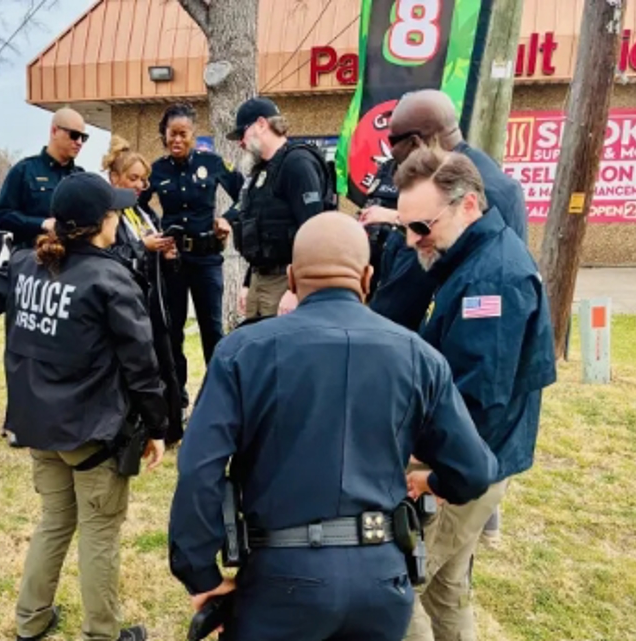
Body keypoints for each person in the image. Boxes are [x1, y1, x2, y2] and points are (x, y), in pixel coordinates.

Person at [168, 211, 498, 641]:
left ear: (291, 278)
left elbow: (199, 468)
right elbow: (473, 471)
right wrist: (432, 480)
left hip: (278, 579)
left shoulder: (242, 353)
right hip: (381, 580)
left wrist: (199, 572)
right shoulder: (419, 357)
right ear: (367, 278)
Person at [393, 147, 556, 641]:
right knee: (446, 590)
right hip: (470, 463)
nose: (411, 240)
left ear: (467, 205)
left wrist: (438, 479)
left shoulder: (492, 281)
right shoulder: (471, 260)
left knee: (395, 591)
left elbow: (479, 402)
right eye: (404, 227)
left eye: (421, 227)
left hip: (466, 468)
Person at [5, 172, 167, 641]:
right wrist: (158, 425)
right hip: (91, 429)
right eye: (115, 211)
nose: (119, 219)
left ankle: (31, 620)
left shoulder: (27, 266)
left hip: (40, 422)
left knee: (55, 521)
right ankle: (103, 633)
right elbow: (141, 364)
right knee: (100, 530)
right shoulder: (110, 278)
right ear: (102, 222)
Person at [363, 89, 528, 333]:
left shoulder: (440, 190)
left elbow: (401, 305)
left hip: (463, 333)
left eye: (392, 141)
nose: (391, 154)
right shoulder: (494, 178)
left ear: (416, 143)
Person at [138, 104, 242, 412]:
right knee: (173, 331)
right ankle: (177, 398)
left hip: (207, 259)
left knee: (212, 330)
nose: (177, 140)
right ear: (164, 135)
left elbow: (246, 195)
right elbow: (137, 207)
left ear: (193, 135)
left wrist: (228, 219)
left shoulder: (212, 163)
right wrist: (153, 232)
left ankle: (216, 398)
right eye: (172, 134)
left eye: (183, 134)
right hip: (173, 262)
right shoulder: (156, 170)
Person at [104, 135, 185, 445]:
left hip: (155, 301)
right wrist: (143, 247)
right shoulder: (107, 215)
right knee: (137, 367)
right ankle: (138, 428)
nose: (140, 185)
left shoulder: (144, 213)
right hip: (126, 304)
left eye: (144, 179)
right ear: (115, 178)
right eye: (133, 178)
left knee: (166, 362)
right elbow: (107, 258)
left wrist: (168, 255)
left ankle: (171, 428)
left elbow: (154, 255)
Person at [226, 97, 333, 320]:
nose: (240, 143)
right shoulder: (262, 171)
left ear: (261, 124)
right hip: (261, 278)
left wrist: (295, 290)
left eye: (242, 134)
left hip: (286, 281)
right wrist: (248, 282)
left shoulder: (297, 163)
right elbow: (258, 231)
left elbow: (313, 231)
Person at [0, 107, 87, 251]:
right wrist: (42, 224)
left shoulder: (81, 177)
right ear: (54, 131)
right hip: (32, 257)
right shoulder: (24, 171)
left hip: (72, 258)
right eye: (74, 135)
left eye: (84, 137)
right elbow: (3, 216)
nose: (79, 142)